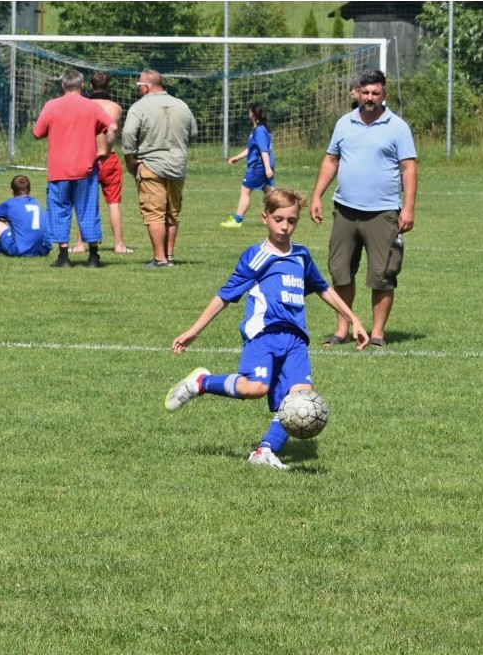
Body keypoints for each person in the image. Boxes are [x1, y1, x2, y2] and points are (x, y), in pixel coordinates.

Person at [165, 188, 370, 470]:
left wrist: (353, 319)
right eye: (278, 219)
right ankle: (201, 383)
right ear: (265, 218)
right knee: (255, 388)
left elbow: (323, 289)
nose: (285, 227)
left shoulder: (301, 255)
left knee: (300, 397)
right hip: (264, 336)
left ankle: (264, 451)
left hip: (296, 340)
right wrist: (194, 330)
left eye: (291, 221)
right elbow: (225, 295)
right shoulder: (257, 257)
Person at [309, 69, 417, 348]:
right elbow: (331, 160)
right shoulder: (344, 123)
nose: (370, 98)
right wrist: (316, 196)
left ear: (384, 95)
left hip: (383, 212)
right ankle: (342, 330)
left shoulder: (398, 127)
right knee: (340, 271)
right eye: (365, 92)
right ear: (357, 93)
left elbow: (408, 169)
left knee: (382, 275)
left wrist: (408, 208)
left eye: (375, 93)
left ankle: (377, 335)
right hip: (345, 210)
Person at [32, 69, 118, 269]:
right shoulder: (91, 106)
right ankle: (93, 257)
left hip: (59, 169)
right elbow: (112, 127)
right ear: (82, 86)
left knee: (59, 210)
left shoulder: (51, 105)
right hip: (86, 169)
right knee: (88, 209)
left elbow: (37, 133)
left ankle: (63, 257)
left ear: (63, 85)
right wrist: (106, 150)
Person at [122, 69, 198, 268]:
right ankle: (169, 255)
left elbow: (128, 133)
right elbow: (193, 132)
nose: (139, 90)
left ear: (146, 87)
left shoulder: (140, 106)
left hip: (151, 165)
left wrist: (130, 158)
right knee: (173, 212)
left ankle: (159, 258)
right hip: (177, 166)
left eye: (140, 86)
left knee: (154, 212)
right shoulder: (181, 105)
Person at [74, 71, 133, 255]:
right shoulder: (116, 108)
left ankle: (79, 244)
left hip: (87, 158)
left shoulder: (82, 106)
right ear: (108, 86)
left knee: (84, 203)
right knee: (113, 203)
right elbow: (115, 131)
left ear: (91, 86)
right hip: (110, 157)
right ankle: (119, 244)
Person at [221, 103, 276, 229]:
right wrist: (237, 157)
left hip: (258, 167)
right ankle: (276, 216)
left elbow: (263, 150)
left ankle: (237, 220)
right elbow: (252, 148)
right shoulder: (259, 129)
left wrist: (267, 168)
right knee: (270, 193)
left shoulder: (259, 130)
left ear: (252, 114)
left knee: (245, 191)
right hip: (263, 165)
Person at [0, 175, 51, 257]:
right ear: (29, 189)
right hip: (43, 250)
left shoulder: (11, 204)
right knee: (12, 234)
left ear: (12, 190)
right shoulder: (36, 202)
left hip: (23, 250)